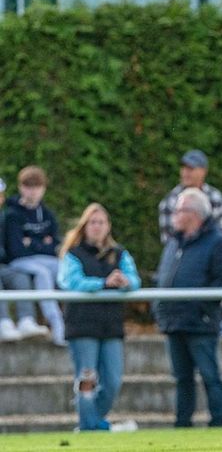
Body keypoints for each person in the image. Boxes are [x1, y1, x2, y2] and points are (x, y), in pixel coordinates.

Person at [153, 189, 222, 428]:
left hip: (200, 321)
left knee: (210, 376)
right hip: (173, 320)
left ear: (195, 214)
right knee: (182, 378)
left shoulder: (217, 242)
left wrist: (201, 307)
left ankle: (218, 423)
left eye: (179, 210)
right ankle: (182, 423)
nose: (174, 215)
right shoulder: (173, 242)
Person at [57, 203, 141, 431]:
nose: (97, 227)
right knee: (87, 380)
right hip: (82, 325)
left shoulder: (119, 254)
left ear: (108, 227)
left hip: (110, 325)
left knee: (113, 381)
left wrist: (125, 282)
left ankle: (90, 424)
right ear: (85, 226)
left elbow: (135, 279)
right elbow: (71, 282)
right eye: (93, 222)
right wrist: (103, 283)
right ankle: (91, 427)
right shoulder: (73, 255)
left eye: (101, 222)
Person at [158, 149, 222, 337]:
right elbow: (171, 244)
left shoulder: (216, 198)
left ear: (203, 171)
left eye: (192, 168)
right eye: (184, 168)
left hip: (212, 256)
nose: (186, 172)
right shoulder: (169, 202)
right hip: (185, 261)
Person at [3, 165, 66, 346]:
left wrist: (32, 242)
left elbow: (55, 246)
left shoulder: (47, 214)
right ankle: (57, 326)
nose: (32, 192)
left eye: (37, 187)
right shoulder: (12, 215)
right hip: (20, 262)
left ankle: (74, 321)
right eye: (28, 187)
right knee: (42, 274)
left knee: (65, 268)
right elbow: (16, 250)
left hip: (44, 259)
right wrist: (42, 243)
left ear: (43, 189)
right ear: (21, 187)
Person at [0, 177, 49, 342]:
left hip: (4, 266)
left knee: (20, 276)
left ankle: (26, 321)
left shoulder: (5, 217)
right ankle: (3, 323)